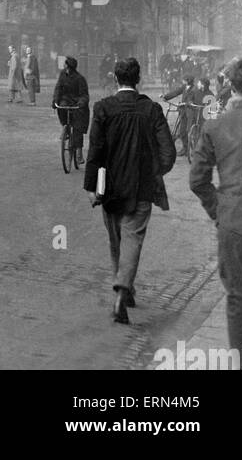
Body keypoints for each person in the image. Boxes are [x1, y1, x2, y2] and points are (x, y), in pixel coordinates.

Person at [84, 57, 176, 324]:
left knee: (116, 241)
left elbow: (95, 152)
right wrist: (154, 172)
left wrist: (91, 187)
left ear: (115, 79)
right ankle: (123, 290)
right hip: (141, 189)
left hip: (110, 188)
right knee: (133, 239)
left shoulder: (103, 108)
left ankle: (123, 286)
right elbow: (168, 152)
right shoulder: (151, 110)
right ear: (139, 80)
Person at [189, 54, 242, 353]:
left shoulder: (215, 125)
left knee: (237, 297)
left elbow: (197, 180)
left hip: (234, 221)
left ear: (232, 86)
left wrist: (220, 210)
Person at [52, 55, 90, 156]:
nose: (64, 66)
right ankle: (65, 127)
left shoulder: (80, 78)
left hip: (77, 102)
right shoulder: (62, 75)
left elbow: (84, 95)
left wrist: (81, 103)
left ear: (68, 66)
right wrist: (55, 100)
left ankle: (79, 152)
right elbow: (58, 88)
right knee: (61, 107)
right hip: (66, 99)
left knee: (78, 127)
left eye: (65, 64)